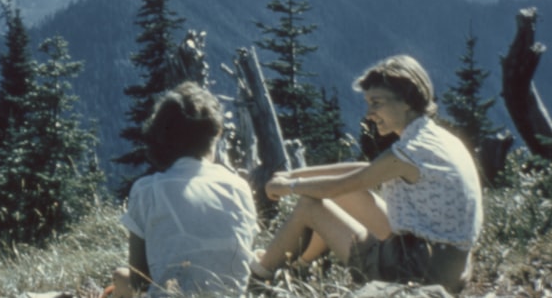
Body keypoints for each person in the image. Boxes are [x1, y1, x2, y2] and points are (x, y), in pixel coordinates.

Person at [251, 55, 483, 293]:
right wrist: (291, 175)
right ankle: (297, 267)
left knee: (310, 205)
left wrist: (288, 187)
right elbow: (365, 172)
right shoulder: (435, 139)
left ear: (406, 101)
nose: (369, 113)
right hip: (450, 265)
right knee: (341, 195)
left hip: (417, 270)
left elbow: (336, 186)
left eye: (377, 103)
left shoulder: (410, 151)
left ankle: (259, 277)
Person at [117, 81, 258, 296]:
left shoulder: (147, 190)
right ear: (217, 133)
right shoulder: (239, 187)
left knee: (121, 277)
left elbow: (139, 280)